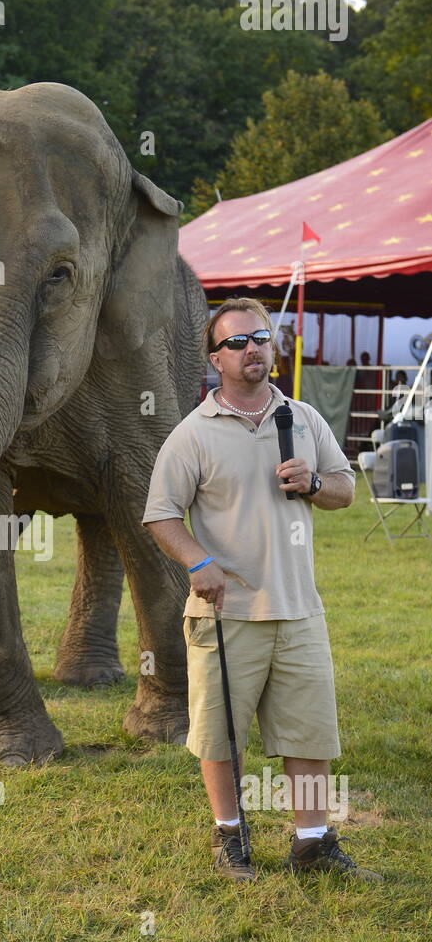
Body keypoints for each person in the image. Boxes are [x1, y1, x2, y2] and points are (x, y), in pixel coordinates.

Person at [142, 296, 382, 883]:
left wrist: (315, 481)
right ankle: (231, 839)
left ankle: (312, 843)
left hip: (298, 607)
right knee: (221, 734)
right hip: (225, 611)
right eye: (237, 343)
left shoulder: (301, 418)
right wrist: (198, 561)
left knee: (309, 730)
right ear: (214, 359)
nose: (252, 349)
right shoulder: (192, 433)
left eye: (261, 338)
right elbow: (160, 514)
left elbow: (346, 491)